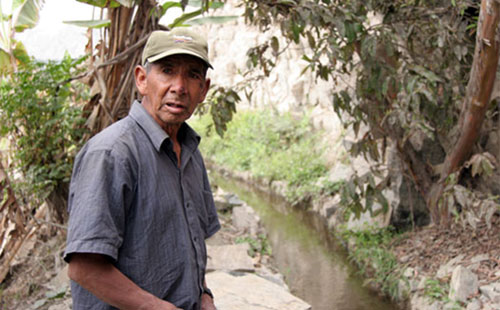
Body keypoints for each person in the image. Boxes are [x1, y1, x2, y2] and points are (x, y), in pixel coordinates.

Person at [64, 27, 220, 310]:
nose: (179, 86)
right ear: (142, 79)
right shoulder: (111, 154)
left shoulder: (190, 152)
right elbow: (84, 267)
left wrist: (204, 294)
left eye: (193, 75)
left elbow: (191, 242)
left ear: (203, 90)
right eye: (167, 71)